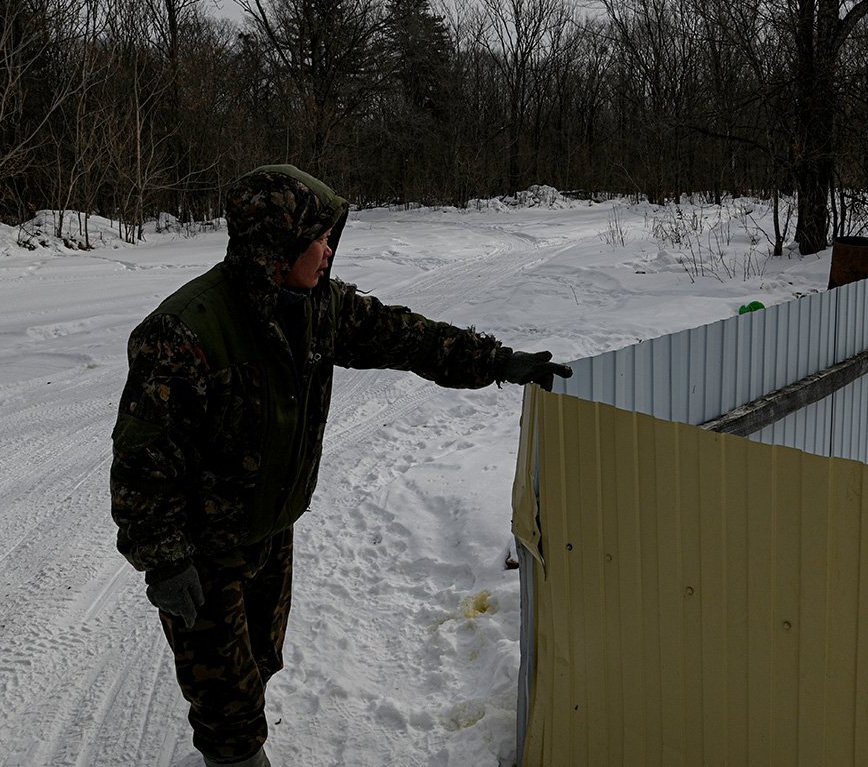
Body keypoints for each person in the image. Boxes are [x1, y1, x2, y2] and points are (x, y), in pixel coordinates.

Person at [109, 164, 571, 767]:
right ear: (276, 247)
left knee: (262, 658)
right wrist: (164, 560)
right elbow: (141, 466)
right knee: (226, 704)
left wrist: (498, 362)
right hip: (202, 546)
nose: (329, 251)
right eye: (317, 239)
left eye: (330, 238)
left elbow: (408, 338)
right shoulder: (185, 333)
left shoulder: (317, 308)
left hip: (271, 530)